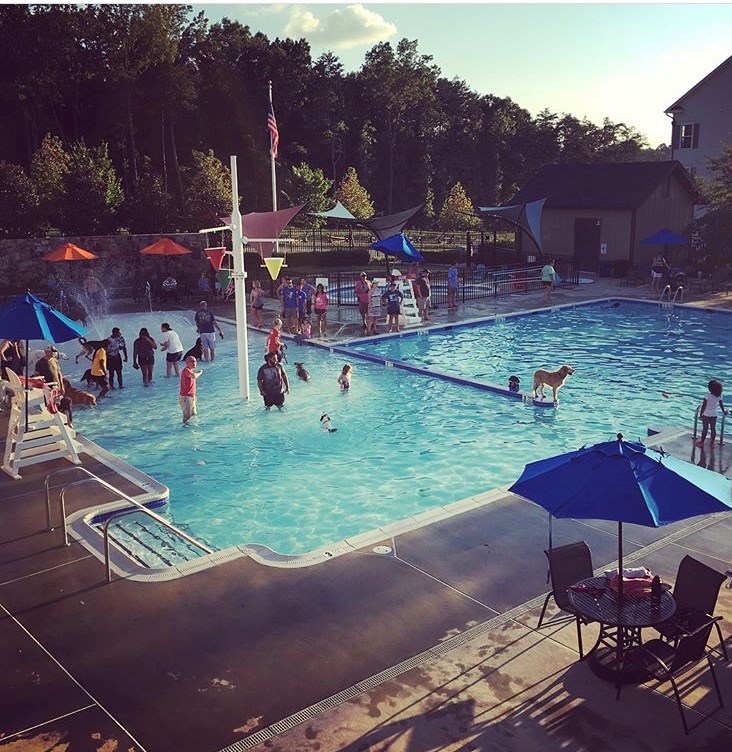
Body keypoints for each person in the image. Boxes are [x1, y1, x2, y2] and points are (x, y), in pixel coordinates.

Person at [34, 345, 73, 425]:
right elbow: (36, 375)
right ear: (46, 352)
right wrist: (42, 383)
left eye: (54, 351)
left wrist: (62, 385)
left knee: (66, 401)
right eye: (52, 351)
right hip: (48, 388)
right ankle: (60, 421)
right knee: (54, 405)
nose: (54, 353)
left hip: (57, 387)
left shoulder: (54, 360)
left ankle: (69, 422)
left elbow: (59, 373)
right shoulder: (40, 363)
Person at [696, 379, 727, 448]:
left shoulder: (707, 396)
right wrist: (723, 411)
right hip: (714, 414)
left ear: (710, 389)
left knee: (705, 429)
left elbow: (704, 406)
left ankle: (702, 442)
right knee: (713, 429)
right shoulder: (719, 396)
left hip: (706, 414)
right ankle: (712, 443)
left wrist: (701, 414)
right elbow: (721, 404)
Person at [179, 355, 202, 425]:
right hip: (186, 397)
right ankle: (185, 430)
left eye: (195, 361)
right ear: (187, 362)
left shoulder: (190, 371)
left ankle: (190, 429)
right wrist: (200, 372)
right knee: (187, 416)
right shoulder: (186, 370)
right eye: (192, 361)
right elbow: (194, 376)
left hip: (191, 396)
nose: (194, 363)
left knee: (193, 414)